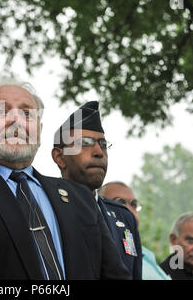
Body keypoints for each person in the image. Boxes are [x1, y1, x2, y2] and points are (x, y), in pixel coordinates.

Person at [0, 78, 131, 279]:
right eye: (1, 112)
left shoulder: (80, 196)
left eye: (27, 114)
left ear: (39, 131)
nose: (15, 120)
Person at [51, 101, 142, 279]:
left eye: (103, 144)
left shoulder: (123, 217)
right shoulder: (46, 208)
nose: (99, 152)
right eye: (84, 143)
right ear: (60, 157)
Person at [99, 181, 171, 280]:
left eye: (134, 204)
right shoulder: (99, 249)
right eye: (119, 203)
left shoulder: (145, 254)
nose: (128, 210)